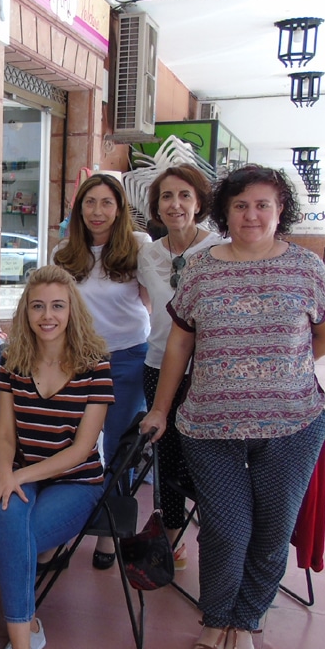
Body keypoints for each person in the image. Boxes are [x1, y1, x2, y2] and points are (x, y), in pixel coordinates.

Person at [141, 164, 325, 649]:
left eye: (263, 205)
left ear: (280, 212)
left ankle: (246, 621)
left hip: (291, 425)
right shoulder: (204, 268)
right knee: (227, 528)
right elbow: (180, 343)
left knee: (272, 530)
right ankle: (216, 617)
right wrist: (162, 408)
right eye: (241, 205)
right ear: (225, 211)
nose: (252, 214)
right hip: (211, 426)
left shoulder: (306, 268)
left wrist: (279, 370)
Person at [0, 265, 112, 649]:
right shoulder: (12, 360)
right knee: (5, 523)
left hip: (75, 482)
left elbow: (81, 450)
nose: (47, 316)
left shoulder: (95, 363)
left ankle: (23, 644)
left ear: (72, 310)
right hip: (20, 473)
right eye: (37, 306)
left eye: (57, 306)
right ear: (25, 311)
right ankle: (26, 648)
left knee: (10, 539)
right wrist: (4, 472)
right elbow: (5, 436)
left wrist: (14, 479)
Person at [53, 173, 150, 570]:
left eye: (106, 202)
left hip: (127, 358)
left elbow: (153, 303)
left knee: (115, 449)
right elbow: (55, 309)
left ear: (120, 208)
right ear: (79, 209)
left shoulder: (139, 248)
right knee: (68, 445)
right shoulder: (64, 252)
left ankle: (108, 534)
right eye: (89, 202)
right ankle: (59, 528)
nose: (97, 211)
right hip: (77, 362)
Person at [136, 165, 227, 570]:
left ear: (199, 202)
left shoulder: (219, 250)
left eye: (184, 195)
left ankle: (219, 539)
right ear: (156, 206)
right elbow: (147, 304)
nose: (175, 205)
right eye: (167, 197)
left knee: (209, 461)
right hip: (157, 364)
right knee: (166, 459)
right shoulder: (149, 253)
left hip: (207, 372)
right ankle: (172, 542)